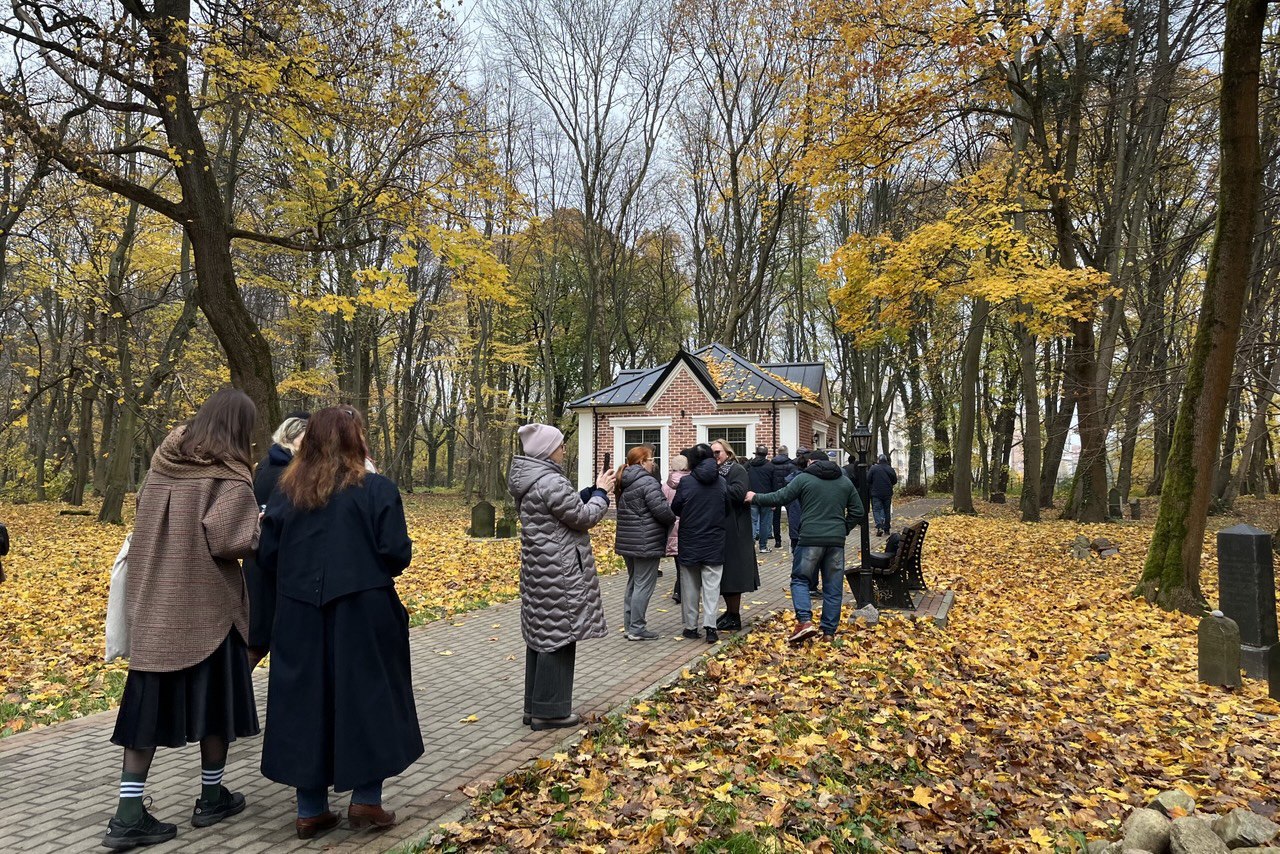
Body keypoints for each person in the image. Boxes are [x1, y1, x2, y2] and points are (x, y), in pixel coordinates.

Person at [104, 389, 261, 851]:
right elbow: (229, 540)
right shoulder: (230, 477)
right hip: (210, 612)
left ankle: (128, 814)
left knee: (145, 714)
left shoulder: (160, 467)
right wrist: (261, 526)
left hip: (154, 608)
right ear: (238, 428)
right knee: (217, 709)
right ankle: (211, 799)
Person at [257, 406, 420, 840]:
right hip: (363, 609)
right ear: (356, 441)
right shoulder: (377, 489)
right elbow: (396, 553)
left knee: (302, 700)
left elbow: (268, 555)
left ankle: (310, 809)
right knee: (367, 697)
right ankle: (366, 800)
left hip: (298, 612)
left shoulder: (285, 493)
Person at [508, 423, 615, 731]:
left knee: (541, 636)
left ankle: (535, 707)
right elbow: (584, 517)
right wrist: (602, 494)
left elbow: (561, 510)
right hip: (560, 570)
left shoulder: (532, 479)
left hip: (539, 569)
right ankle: (551, 712)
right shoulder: (551, 481)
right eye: (560, 444)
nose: (564, 449)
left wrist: (588, 492)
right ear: (547, 450)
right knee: (559, 636)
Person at [748, 449, 863, 644]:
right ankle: (828, 633)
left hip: (810, 538)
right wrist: (843, 528)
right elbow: (858, 510)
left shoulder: (804, 479)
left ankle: (805, 621)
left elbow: (780, 497)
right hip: (836, 541)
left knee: (800, 579)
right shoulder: (844, 482)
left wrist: (755, 497)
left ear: (810, 462)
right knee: (833, 588)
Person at [245, 411, 309, 667]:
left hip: (263, 564)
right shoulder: (286, 471)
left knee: (257, 640)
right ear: (291, 438)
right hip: (273, 566)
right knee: (259, 642)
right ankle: (228, 703)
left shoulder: (266, 464)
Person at [614, 445, 676, 641]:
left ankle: (629, 625)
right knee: (643, 584)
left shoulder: (625, 480)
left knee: (633, 583)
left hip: (628, 541)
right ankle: (637, 628)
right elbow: (661, 511)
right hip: (645, 541)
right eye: (651, 460)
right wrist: (672, 517)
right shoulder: (647, 482)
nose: (653, 463)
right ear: (642, 462)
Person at [671, 444, 726, 643]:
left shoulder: (686, 483)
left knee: (690, 585)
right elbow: (727, 508)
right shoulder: (721, 482)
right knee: (712, 587)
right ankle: (711, 626)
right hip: (714, 539)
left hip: (690, 539)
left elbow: (676, 508)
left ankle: (691, 626)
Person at [710, 439, 758, 632]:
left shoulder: (736, 470)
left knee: (734, 574)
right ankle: (730, 612)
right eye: (712, 453)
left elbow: (738, 493)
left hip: (736, 528)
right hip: (723, 528)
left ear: (728, 453)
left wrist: (717, 486)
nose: (715, 456)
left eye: (717, 452)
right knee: (725, 574)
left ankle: (734, 614)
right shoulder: (716, 472)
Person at [662, 454, 690, 603]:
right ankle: (681, 589)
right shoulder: (693, 482)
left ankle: (679, 590)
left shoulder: (666, 486)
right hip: (689, 525)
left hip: (673, 526)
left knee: (679, 562)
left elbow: (662, 506)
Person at [746, 445, 776, 553]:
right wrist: (774, 500)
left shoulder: (749, 465)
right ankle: (763, 547)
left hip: (751, 496)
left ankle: (750, 545)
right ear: (766, 454)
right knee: (764, 522)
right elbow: (774, 484)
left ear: (756, 453)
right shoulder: (770, 466)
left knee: (752, 522)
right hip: (766, 498)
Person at [769, 446, 794, 549]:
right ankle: (792, 539)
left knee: (776, 518)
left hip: (776, 492)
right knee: (791, 516)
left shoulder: (771, 464)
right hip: (788, 492)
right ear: (787, 453)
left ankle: (777, 541)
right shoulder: (791, 464)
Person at [868, 454, 899, 536]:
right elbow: (895, 481)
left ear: (878, 460)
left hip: (876, 493)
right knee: (887, 510)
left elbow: (868, 479)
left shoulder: (873, 468)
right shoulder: (890, 469)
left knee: (876, 510)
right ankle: (887, 529)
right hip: (887, 493)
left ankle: (879, 526)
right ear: (886, 461)